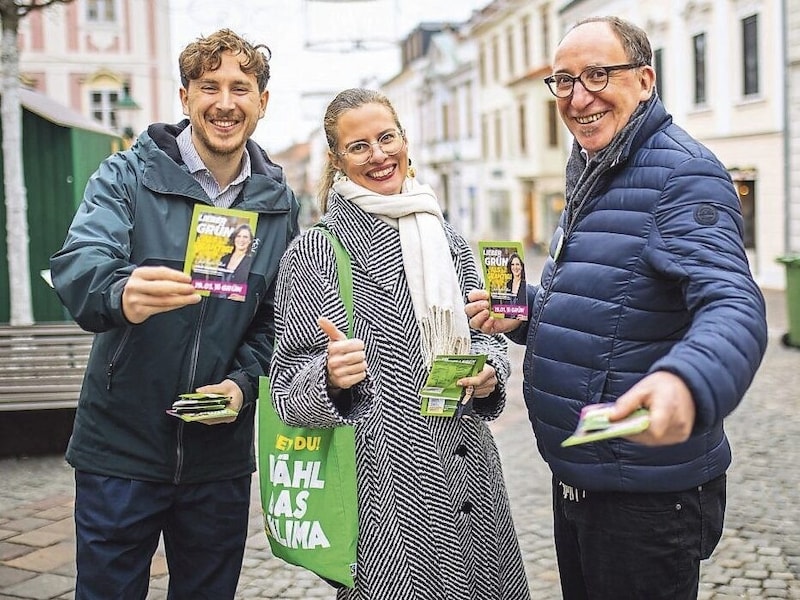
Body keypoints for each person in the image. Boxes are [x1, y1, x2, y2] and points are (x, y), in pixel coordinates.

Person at [466, 16, 767, 600]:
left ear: (645, 80)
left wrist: (688, 381)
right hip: (584, 473)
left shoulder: (684, 173)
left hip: (646, 493)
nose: (579, 97)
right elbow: (610, 293)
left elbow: (734, 300)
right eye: (564, 80)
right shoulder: (593, 166)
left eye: (598, 74)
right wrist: (526, 310)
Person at [49, 29, 299, 600]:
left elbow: (276, 320)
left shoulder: (279, 203)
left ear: (262, 102)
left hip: (219, 459)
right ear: (185, 98)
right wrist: (120, 292)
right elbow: (79, 265)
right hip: (121, 448)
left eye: (241, 87)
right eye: (208, 86)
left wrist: (242, 385)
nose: (225, 102)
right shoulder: (125, 176)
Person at [269, 87, 530, 600]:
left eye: (386, 138)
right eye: (359, 146)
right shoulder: (315, 252)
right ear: (337, 159)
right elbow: (285, 389)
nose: (379, 155)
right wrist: (327, 377)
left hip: (471, 482)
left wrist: (489, 373)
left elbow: (487, 336)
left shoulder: (446, 237)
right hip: (386, 501)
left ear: (405, 140)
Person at [219, 223, 255, 301]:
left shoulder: (251, 262)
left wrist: (244, 298)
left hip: (235, 306)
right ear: (234, 238)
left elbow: (254, 290)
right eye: (238, 236)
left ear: (250, 241)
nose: (241, 240)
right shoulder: (224, 258)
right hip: (215, 302)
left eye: (245, 237)